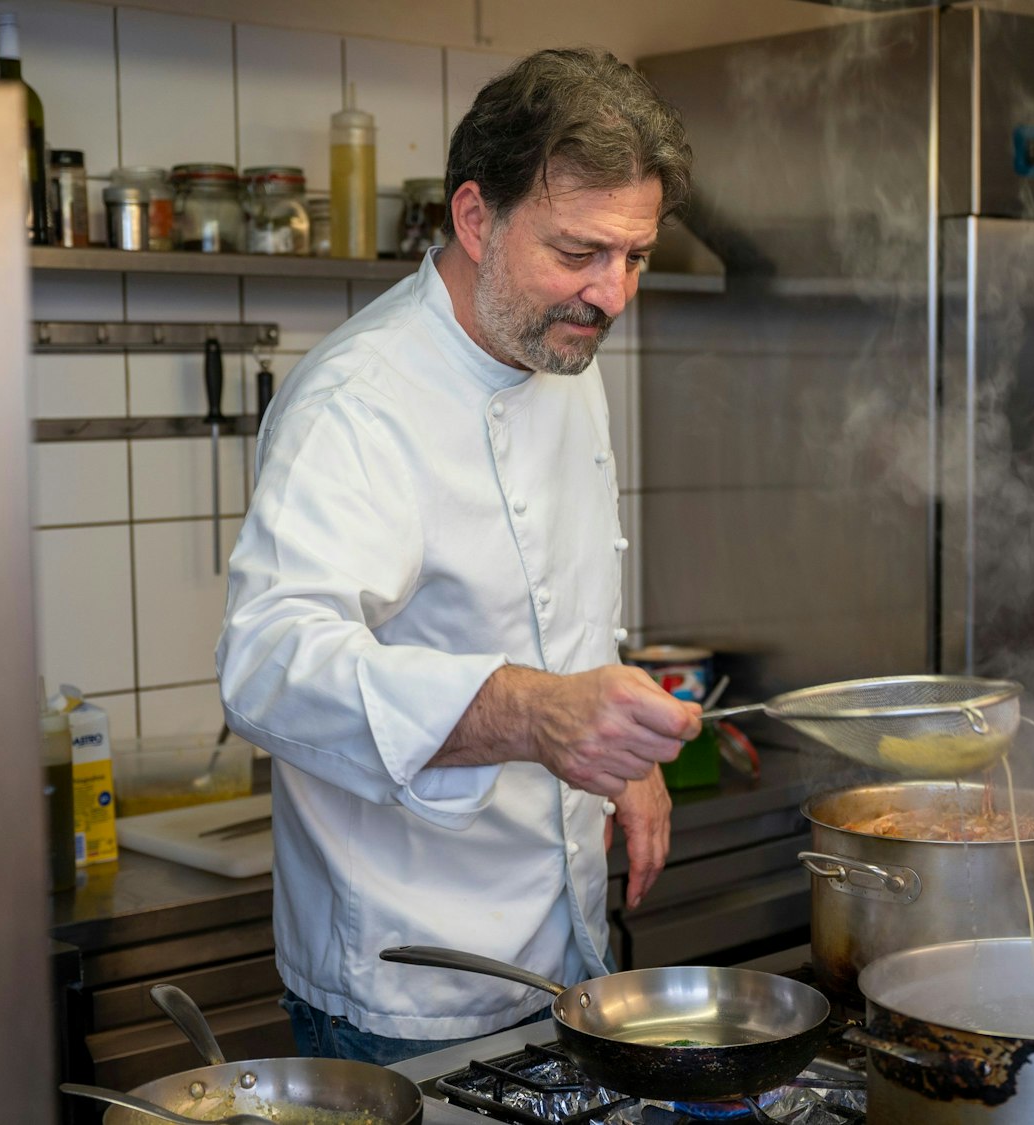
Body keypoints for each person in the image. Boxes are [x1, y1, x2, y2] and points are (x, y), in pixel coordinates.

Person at [215, 47, 697, 1064]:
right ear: (476, 219)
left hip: (562, 948)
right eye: (579, 252)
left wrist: (617, 759)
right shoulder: (357, 402)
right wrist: (530, 711)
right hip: (398, 986)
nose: (611, 296)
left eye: (634, 256)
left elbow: (547, 605)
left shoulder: (558, 347)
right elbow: (266, 666)